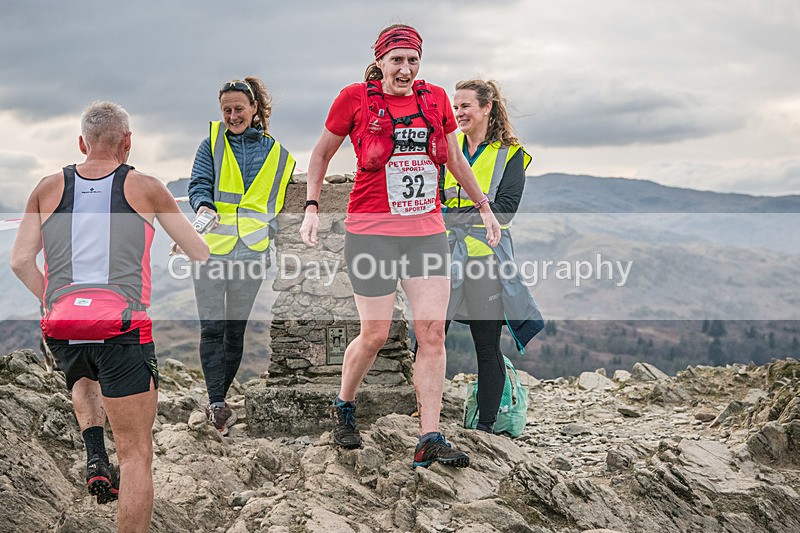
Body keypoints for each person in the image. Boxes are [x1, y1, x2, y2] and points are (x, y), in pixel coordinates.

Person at [300, 24, 501, 468]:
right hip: (371, 233)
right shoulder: (354, 98)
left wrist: (483, 205)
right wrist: (312, 205)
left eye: (413, 60)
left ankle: (429, 434)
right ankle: (344, 406)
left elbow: (452, 157)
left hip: (426, 233)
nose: (406, 69)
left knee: (431, 334)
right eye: (397, 60)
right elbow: (320, 154)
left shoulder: (435, 101)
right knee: (373, 335)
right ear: (381, 62)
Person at [11, 101, 209, 532]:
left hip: (63, 325)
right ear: (128, 142)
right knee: (136, 453)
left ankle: (93, 451)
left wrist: (56, 300)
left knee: (84, 372)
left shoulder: (46, 187)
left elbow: (21, 262)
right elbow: (199, 251)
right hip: (122, 329)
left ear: (82, 143)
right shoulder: (146, 187)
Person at [188, 77, 295, 435]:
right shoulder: (211, 145)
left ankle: (218, 398)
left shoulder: (278, 155)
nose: (233, 115)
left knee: (235, 332)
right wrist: (204, 208)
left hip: (251, 253)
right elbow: (199, 186)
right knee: (211, 328)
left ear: (254, 109)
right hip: (210, 251)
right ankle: (217, 402)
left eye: (239, 109)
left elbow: (277, 208)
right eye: (226, 110)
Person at [442, 79, 543, 434]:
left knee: (486, 344)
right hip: (443, 257)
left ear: (487, 108)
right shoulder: (446, 146)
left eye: (466, 105)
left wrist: (450, 215)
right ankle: (426, 417)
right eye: (456, 106)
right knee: (429, 337)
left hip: (486, 260)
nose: (459, 112)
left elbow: (504, 211)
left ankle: (485, 426)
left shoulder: (510, 154)